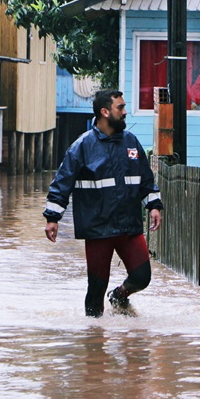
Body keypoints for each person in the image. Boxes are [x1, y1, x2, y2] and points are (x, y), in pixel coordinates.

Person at [43, 89, 163, 316]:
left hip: (129, 226)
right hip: (98, 229)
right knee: (96, 289)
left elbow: (146, 178)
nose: (126, 112)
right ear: (105, 112)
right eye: (121, 107)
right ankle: (94, 340)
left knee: (142, 277)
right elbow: (62, 183)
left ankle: (118, 296)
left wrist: (154, 205)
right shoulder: (82, 147)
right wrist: (52, 218)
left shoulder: (131, 143)